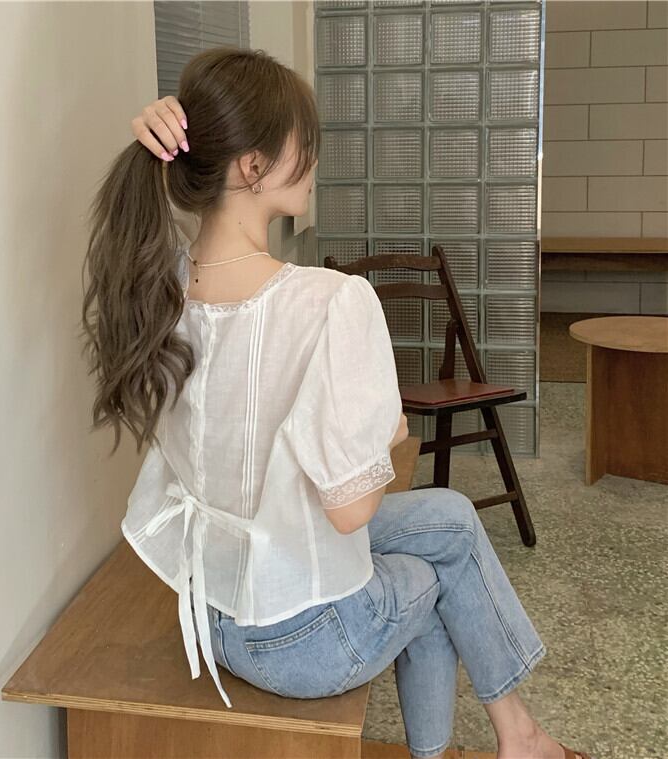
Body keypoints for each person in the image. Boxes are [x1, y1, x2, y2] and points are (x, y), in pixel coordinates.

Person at [81, 46, 591, 759]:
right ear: (253, 166)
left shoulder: (155, 286)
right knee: (433, 579)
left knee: (450, 517)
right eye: (304, 143)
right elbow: (351, 509)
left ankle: (520, 736)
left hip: (215, 611)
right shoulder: (330, 300)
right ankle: (484, 745)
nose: (315, 159)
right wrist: (384, 434)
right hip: (304, 640)